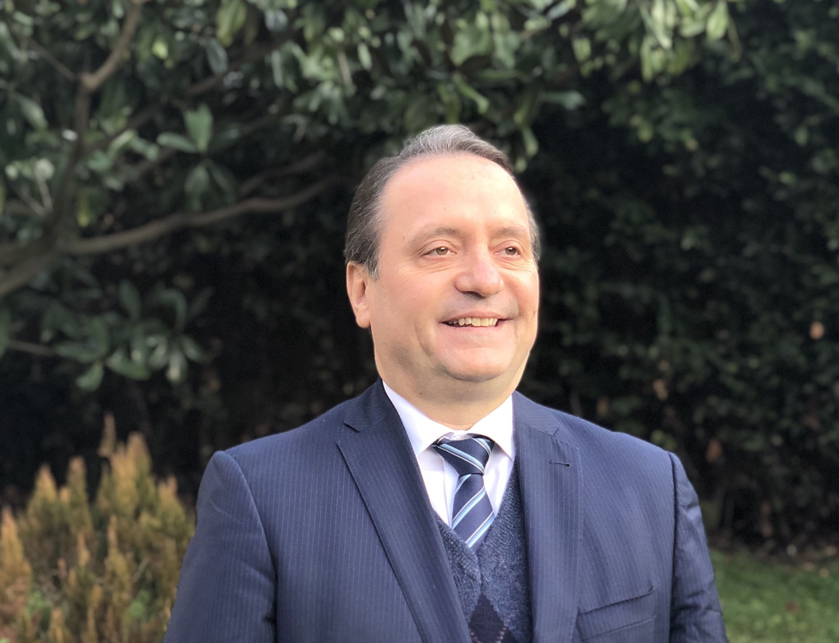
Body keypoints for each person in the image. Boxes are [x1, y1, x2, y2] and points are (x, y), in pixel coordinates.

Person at [164, 125, 728, 643]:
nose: (484, 279)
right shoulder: (262, 500)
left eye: (510, 250)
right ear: (361, 291)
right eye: (440, 250)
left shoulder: (649, 487)